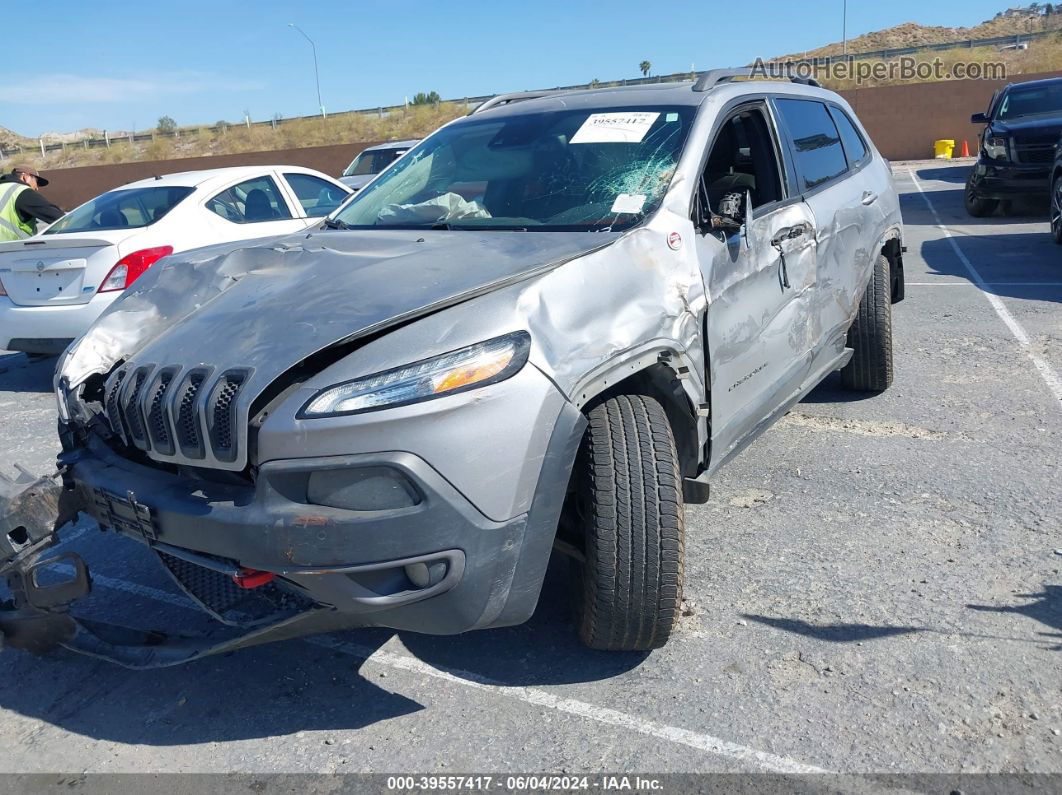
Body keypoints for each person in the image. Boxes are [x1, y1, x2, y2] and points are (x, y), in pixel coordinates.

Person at [0, 165, 63, 241]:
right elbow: (58, 217)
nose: (37, 188)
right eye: (36, 182)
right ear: (25, 177)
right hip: (12, 249)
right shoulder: (22, 191)